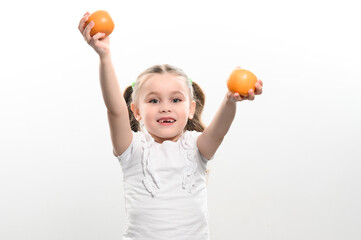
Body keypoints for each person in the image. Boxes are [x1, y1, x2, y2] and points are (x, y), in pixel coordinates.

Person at [78, 11, 263, 240]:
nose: (165, 107)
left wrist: (230, 100)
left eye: (175, 100)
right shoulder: (132, 149)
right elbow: (115, 109)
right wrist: (104, 56)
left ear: (191, 108)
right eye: (154, 100)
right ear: (136, 112)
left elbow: (218, 132)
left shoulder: (196, 147)